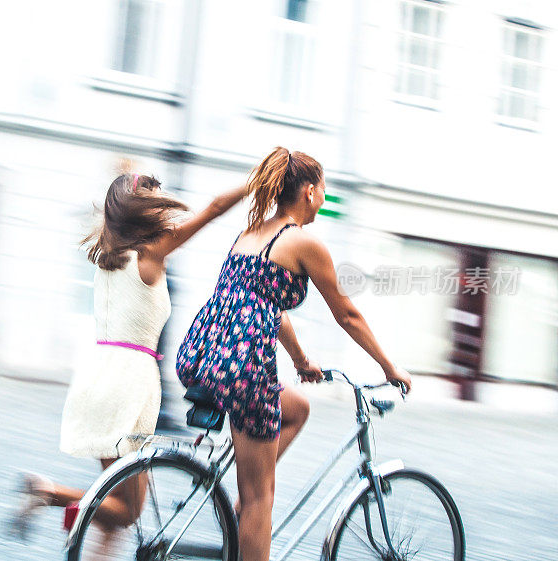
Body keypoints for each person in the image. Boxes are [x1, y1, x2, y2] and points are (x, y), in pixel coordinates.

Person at [175, 147, 412, 561]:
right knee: (260, 497)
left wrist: (302, 362)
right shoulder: (302, 242)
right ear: (308, 191)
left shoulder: (251, 234)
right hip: (244, 369)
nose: (324, 196)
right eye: (323, 188)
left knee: (297, 407)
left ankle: (243, 508)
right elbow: (348, 314)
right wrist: (390, 367)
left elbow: (267, 308)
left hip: (204, 355)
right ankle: (250, 511)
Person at [13, 173, 248, 539]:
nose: (163, 204)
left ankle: (60, 507)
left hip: (96, 376)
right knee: (127, 511)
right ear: (141, 211)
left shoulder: (107, 256)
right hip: (128, 384)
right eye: (155, 199)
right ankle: (49, 491)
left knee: (120, 498)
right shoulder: (151, 251)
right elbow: (215, 209)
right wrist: (254, 184)